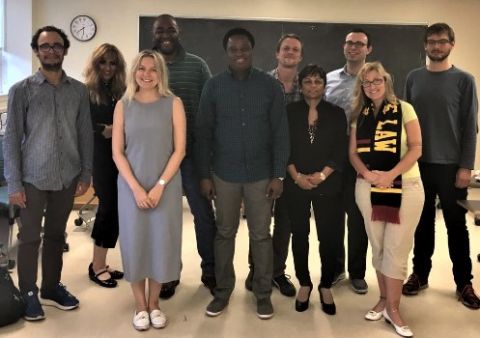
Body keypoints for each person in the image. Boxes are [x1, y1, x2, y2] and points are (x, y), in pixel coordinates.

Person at [196, 28, 289, 320]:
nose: (239, 54)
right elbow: (203, 134)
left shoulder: (270, 86)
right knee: (225, 233)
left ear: (253, 50)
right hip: (224, 174)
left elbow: (280, 133)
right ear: (227, 52)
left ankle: (262, 293)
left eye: (244, 49)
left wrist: (278, 174)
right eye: (234, 50)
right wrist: (204, 175)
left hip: (262, 174)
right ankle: (223, 291)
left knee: (261, 235)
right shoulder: (213, 86)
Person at [3, 25, 93, 321]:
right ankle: (28, 291)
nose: (51, 50)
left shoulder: (78, 91)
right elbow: (12, 140)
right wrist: (14, 182)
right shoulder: (21, 91)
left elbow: (84, 134)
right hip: (32, 179)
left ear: (65, 50)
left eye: (57, 45)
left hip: (67, 176)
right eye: (45, 46)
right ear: (36, 51)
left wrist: (85, 173)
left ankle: (51, 288)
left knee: (56, 235)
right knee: (29, 238)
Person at [403, 22, 480, 309]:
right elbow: (406, 124)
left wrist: (466, 167)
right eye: (432, 41)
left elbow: (470, 126)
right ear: (425, 45)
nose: (437, 46)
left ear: (452, 44)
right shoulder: (413, 78)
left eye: (442, 41)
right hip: (417, 164)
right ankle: (419, 275)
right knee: (421, 225)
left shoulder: (465, 80)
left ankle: (464, 283)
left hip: (451, 167)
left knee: (456, 226)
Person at [112, 50, 186, 330]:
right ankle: (139, 305)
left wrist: (158, 187)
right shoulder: (124, 105)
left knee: (161, 243)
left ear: (161, 73)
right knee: (135, 242)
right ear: (134, 72)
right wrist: (136, 189)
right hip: (131, 187)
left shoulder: (173, 103)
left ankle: (155, 303)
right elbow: (118, 153)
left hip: (165, 186)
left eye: (153, 69)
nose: (146, 74)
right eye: (141, 68)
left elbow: (179, 150)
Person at [349, 61, 423, 337]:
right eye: (366, 82)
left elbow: (416, 148)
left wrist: (389, 174)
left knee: (396, 248)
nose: (372, 86)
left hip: (405, 186)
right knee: (378, 245)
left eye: (376, 80)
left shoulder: (405, 109)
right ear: (361, 86)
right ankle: (383, 298)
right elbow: (353, 154)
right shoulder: (360, 114)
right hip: (367, 188)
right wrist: (368, 174)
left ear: (386, 80)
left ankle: (394, 308)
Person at [152, 13, 216, 298]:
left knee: (203, 216)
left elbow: (209, 111)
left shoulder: (197, 65)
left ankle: (211, 271)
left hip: (192, 156)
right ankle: (168, 274)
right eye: (160, 30)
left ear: (179, 32)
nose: (165, 34)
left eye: (171, 29)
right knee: (165, 219)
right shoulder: (147, 67)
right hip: (157, 159)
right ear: (154, 33)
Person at [285, 64, 346, 315]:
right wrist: (296, 176)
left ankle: (326, 284)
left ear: (324, 85)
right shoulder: (288, 111)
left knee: (328, 236)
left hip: (328, 182)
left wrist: (322, 175)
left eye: (317, 81)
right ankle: (305, 283)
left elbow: (340, 150)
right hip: (295, 181)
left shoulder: (336, 113)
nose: (313, 86)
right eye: (307, 82)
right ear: (300, 85)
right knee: (300, 234)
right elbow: (282, 146)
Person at [245, 33, 303, 297]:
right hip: (263, 163)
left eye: (295, 50)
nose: (290, 53)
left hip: (295, 165)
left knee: (285, 222)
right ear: (277, 53)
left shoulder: (310, 84)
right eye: (286, 49)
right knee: (259, 221)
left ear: (300, 56)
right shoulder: (261, 83)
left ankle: (277, 272)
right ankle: (256, 269)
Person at [325, 28, 372, 294]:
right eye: (349, 43)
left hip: (364, 155)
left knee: (357, 217)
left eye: (360, 44)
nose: (353, 47)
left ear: (368, 49)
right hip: (333, 155)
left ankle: (357, 272)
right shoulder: (329, 79)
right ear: (344, 47)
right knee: (332, 216)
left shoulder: (375, 81)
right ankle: (335, 268)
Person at [84, 43, 126, 288]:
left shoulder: (121, 90)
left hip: (122, 157)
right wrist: (104, 131)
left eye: (113, 63)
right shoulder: (86, 91)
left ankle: (102, 263)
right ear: (95, 64)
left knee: (117, 210)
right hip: (101, 157)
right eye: (103, 62)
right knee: (108, 209)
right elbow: (81, 126)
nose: (108, 67)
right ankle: (96, 266)